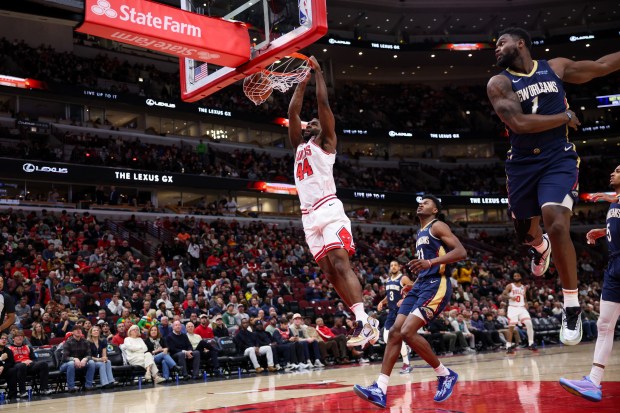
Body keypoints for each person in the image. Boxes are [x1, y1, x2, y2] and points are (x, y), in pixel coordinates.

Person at [487, 27, 620, 346]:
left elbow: (601, 66)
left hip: (557, 158)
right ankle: (540, 247)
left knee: (557, 222)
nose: (496, 48)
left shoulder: (555, 67)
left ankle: (571, 306)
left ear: (520, 43)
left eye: (501, 42)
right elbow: (517, 123)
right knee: (526, 234)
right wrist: (564, 116)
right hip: (521, 164)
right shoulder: (499, 83)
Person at [288, 56, 379, 347]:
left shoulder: (326, 144)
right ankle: (362, 319)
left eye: (316, 122)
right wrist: (300, 82)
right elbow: (293, 112)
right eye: (309, 122)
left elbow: (323, 106)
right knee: (328, 272)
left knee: (341, 264)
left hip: (328, 208)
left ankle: (364, 323)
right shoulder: (299, 147)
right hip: (307, 216)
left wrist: (317, 75)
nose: (313, 121)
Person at [354, 195, 466, 407]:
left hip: (437, 285)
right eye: (420, 201)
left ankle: (444, 374)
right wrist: (413, 285)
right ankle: (380, 388)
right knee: (396, 332)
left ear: (435, 210)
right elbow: (426, 266)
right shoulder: (420, 232)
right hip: (420, 285)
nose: (421, 203)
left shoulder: (438, 225)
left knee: (406, 332)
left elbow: (461, 252)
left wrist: (430, 262)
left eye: (427, 202)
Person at [559, 165, 620, 402]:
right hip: (614, 266)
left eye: (618, 170)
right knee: (604, 325)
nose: (612, 172)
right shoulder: (616, 201)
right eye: (612, 169)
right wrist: (603, 232)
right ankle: (593, 381)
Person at [376, 261, 414, 373]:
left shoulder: (404, 278)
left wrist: (404, 300)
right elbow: (389, 296)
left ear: (399, 267)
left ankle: (406, 363)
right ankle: (405, 348)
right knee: (386, 337)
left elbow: (414, 290)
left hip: (401, 311)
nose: (393, 267)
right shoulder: (388, 280)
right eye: (391, 265)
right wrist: (382, 302)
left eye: (395, 265)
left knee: (396, 336)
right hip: (391, 311)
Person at [501, 272, 536, 353]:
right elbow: (503, 295)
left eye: (517, 275)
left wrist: (526, 304)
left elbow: (525, 298)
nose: (516, 277)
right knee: (511, 327)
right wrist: (510, 297)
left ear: (521, 276)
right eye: (514, 276)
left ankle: (531, 344)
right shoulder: (510, 286)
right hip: (512, 308)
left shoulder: (524, 287)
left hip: (522, 308)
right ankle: (508, 346)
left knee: (529, 324)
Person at [59, 325, 96, 392]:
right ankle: (71, 387)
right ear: (72, 332)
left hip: (81, 364)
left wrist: (85, 359)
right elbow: (65, 358)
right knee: (71, 363)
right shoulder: (68, 342)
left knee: (92, 362)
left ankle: (88, 386)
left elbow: (89, 355)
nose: (78, 330)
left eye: (80, 329)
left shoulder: (85, 342)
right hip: (65, 365)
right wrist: (74, 359)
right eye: (76, 329)